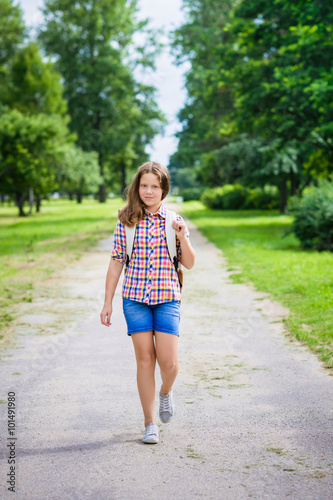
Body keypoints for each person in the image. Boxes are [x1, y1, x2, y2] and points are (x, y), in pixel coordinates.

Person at [100, 161, 195, 444]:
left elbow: (188, 263)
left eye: (155, 186)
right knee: (145, 360)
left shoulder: (174, 221)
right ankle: (150, 423)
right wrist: (108, 302)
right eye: (144, 186)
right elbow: (117, 262)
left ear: (164, 189)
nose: (149, 191)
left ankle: (165, 392)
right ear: (136, 187)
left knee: (169, 364)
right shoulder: (126, 221)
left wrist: (182, 236)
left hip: (167, 298)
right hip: (135, 299)